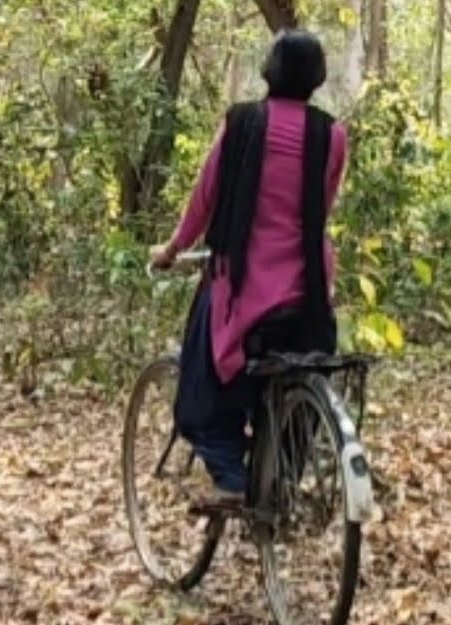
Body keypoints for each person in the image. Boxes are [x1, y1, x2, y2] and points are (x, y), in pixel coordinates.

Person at [147, 28, 348, 510]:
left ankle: (232, 478)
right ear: (317, 78)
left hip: (246, 288)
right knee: (304, 367)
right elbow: (321, 207)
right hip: (308, 293)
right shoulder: (332, 136)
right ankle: (280, 476)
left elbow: (205, 199)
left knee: (200, 385)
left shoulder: (241, 124)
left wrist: (173, 248)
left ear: (268, 71)